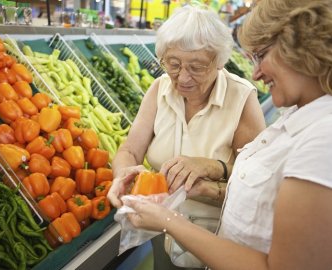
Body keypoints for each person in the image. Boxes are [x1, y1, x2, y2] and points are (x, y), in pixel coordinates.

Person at [123, 0, 332, 269]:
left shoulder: (322, 139)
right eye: (174, 64)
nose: (256, 72)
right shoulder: (296, 118)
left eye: (261, 55)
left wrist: (167, 219)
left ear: (300, 50)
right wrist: (205, 188)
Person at [107, 4, 265, 269]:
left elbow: (257, 183)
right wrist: (122, 174)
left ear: (219, 61)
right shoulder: (160, 89)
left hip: (217, 240)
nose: (182, 77)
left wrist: (213, 167)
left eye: (197, 66)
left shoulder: (241, 97)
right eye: (173, 64)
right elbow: (130, 151)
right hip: (160, 232)